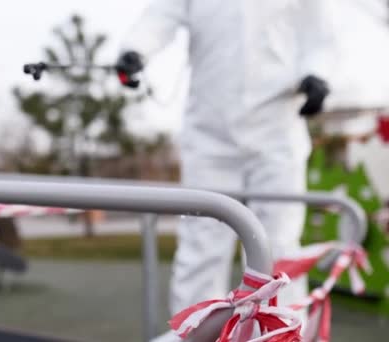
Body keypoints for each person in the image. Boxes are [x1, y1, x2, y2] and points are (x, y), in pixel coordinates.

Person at [116, 1, 334, 340]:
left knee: (280, 247)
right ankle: (194, 338)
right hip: (210, 136)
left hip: (277, 130)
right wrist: (135, 51)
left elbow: (318, 32)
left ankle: (283, 337)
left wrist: (317, 73)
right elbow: (160, 15)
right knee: (201, 247)